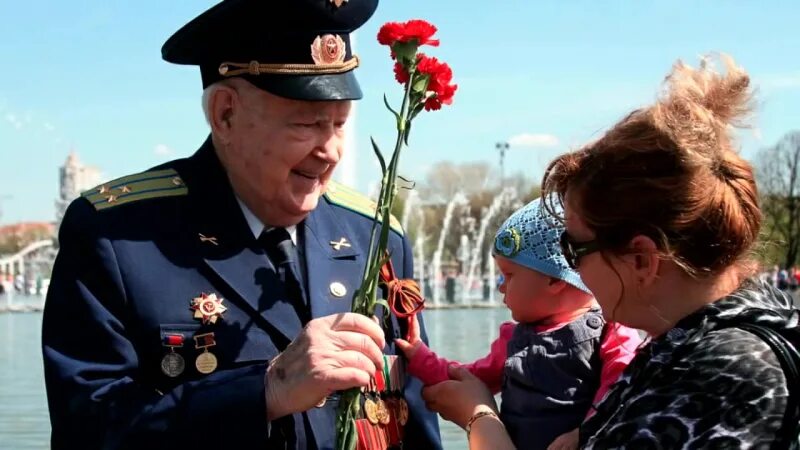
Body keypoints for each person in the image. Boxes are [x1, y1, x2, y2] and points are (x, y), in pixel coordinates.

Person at [41, 1, 442, 449]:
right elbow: (89, 430)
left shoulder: (374, 235)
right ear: (225, 114)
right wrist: (265, 390)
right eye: (307, 123)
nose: (331, 150)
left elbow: (412, 421)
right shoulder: (117, 237)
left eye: (340, 124)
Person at [421, 55, 799, 449]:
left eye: (573, 247)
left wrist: (480, 419)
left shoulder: (723, 374)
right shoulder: (695, 342)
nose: (571, 268)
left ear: (641, 260)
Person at [396, 197, 641, 450]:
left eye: (509, 275)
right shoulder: (514, 340)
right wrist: (419, 356)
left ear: (554, 279)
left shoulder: (611, 332)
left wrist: (586, 430)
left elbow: (625, 390)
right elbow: (468, 380)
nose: (500, 285)